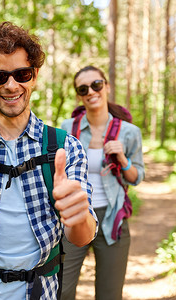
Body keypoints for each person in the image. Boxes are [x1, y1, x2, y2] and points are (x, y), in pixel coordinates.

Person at [0, 22, 98, 300]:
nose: (11, 85)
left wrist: (78, 216)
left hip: (40, 291)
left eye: (22, 74)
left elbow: (81, 236)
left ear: (34, 76)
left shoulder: (64, 147)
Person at [60, 65, 145, 300]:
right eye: (83, 88)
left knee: (109, 294)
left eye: (96, 85)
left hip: (112, 218)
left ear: (106, 87)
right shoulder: (68, 129)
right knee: (61, 291)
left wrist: (123, 160)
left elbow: (137, 177)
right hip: (74, 218)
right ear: (79, 94)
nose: (91, 91)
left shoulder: (129, 132)